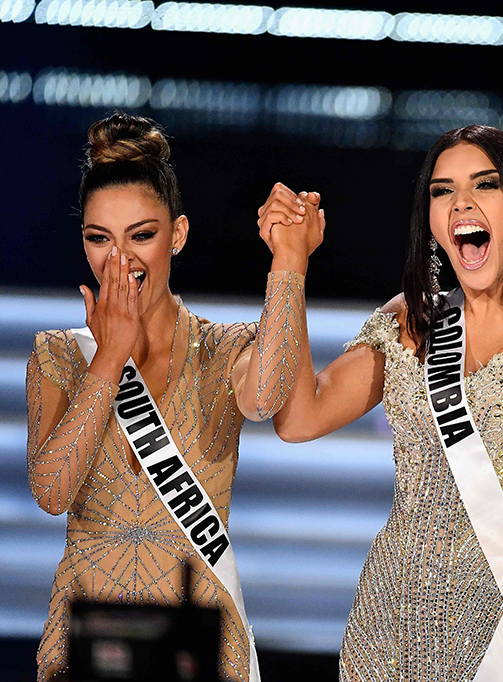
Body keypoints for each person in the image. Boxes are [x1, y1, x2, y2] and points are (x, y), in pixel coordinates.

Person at [252, 124, 503, 681]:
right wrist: (289, 263)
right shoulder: (413, 320)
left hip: (502, 635)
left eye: (484, 185)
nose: (460, 202)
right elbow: (298, 419)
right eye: (442, 191)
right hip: (385, 631)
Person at [27, 112, 308, 681]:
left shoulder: (225, 349)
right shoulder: (59, 355)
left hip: (201, 646)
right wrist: (110, 358)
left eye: (142, 235)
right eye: (99, 238)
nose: (120, 261)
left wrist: (289, 261)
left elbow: (270, 395)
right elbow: (52, 491)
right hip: (86, 646)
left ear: (177, 235)